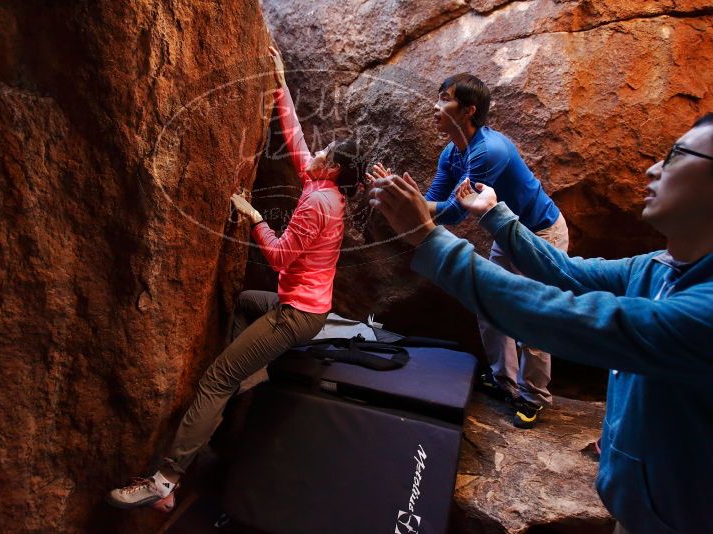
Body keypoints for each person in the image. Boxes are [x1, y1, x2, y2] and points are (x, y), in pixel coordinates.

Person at [368, 114, 713, 534]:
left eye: (675, 155)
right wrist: (495, 214)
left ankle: (531, 395)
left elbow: (560, 317)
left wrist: (429, 240)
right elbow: (567, 272)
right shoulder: (658, 268)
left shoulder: (705, 311)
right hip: (637, 514)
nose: (653, 168)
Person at [106, 46, 365, 511]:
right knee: (246, 301)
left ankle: (165, 482)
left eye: (328, 152)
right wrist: (280, 85)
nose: (320, 150)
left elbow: (282, 258)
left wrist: (253, 216)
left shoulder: (318, 202)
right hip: (306, 306)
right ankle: (244, 382)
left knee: (215, 379)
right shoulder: (322, 185)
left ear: (335, 169)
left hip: (297, 314)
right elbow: (297, 142)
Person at [371, 73, 567, 428]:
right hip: (506, 232)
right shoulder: (452, 151)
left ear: (468, 111)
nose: (435, 107)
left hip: (541, 234)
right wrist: (404, 196)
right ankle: (504, 381)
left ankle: (534, 395)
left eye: (444, 98)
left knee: (531, 316)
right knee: (488, 304)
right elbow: (436, 202)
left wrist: (410, 202)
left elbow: (457, 212)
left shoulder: (488, 151)